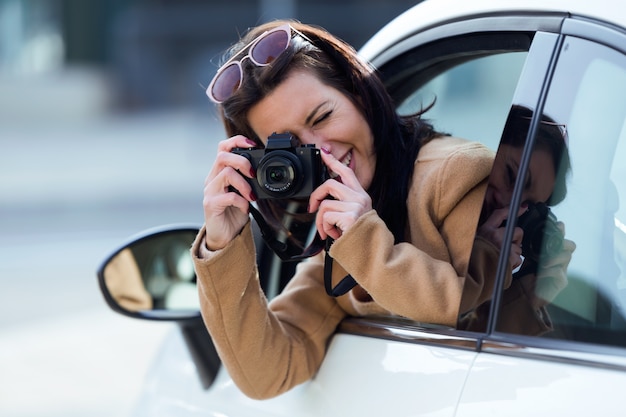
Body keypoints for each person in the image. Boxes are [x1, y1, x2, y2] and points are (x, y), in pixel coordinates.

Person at [191, 19, 494, 400]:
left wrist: (362, 238)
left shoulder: (457, 173)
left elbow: (478, 317)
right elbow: (267, 373)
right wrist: (223, 243)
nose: (322, 150)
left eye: (322, 118)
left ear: (359, 94)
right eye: (291, 147)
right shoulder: (337, 229)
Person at [459, 105, 577, 335]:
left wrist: (527, 298)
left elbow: (456, 355)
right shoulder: (419, 201)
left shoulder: (493, 269)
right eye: (512, 175)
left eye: (526, 205)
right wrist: (479, 262)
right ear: (487, 143)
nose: (509, 204)